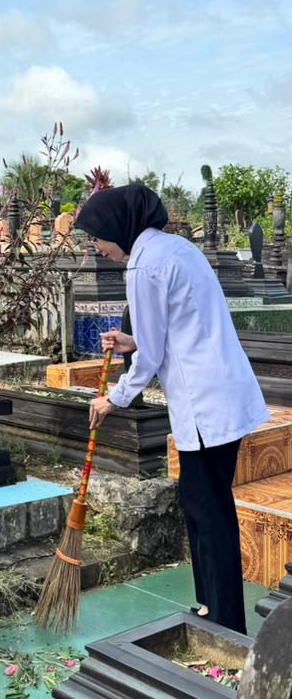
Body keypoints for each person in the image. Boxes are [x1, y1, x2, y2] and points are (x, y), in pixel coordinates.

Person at [76, 184, 267, 634]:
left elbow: (151, 358)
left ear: (118, 226)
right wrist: (133, 340)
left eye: (96, 237)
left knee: (208, 510)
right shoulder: (178, 249)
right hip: (221, 392)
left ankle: (226, 624)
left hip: (205, 401)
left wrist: (113, 398)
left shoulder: (144, 266)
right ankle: (211, 607)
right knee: (202, 503)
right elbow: (177, 328)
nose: (95, 247)